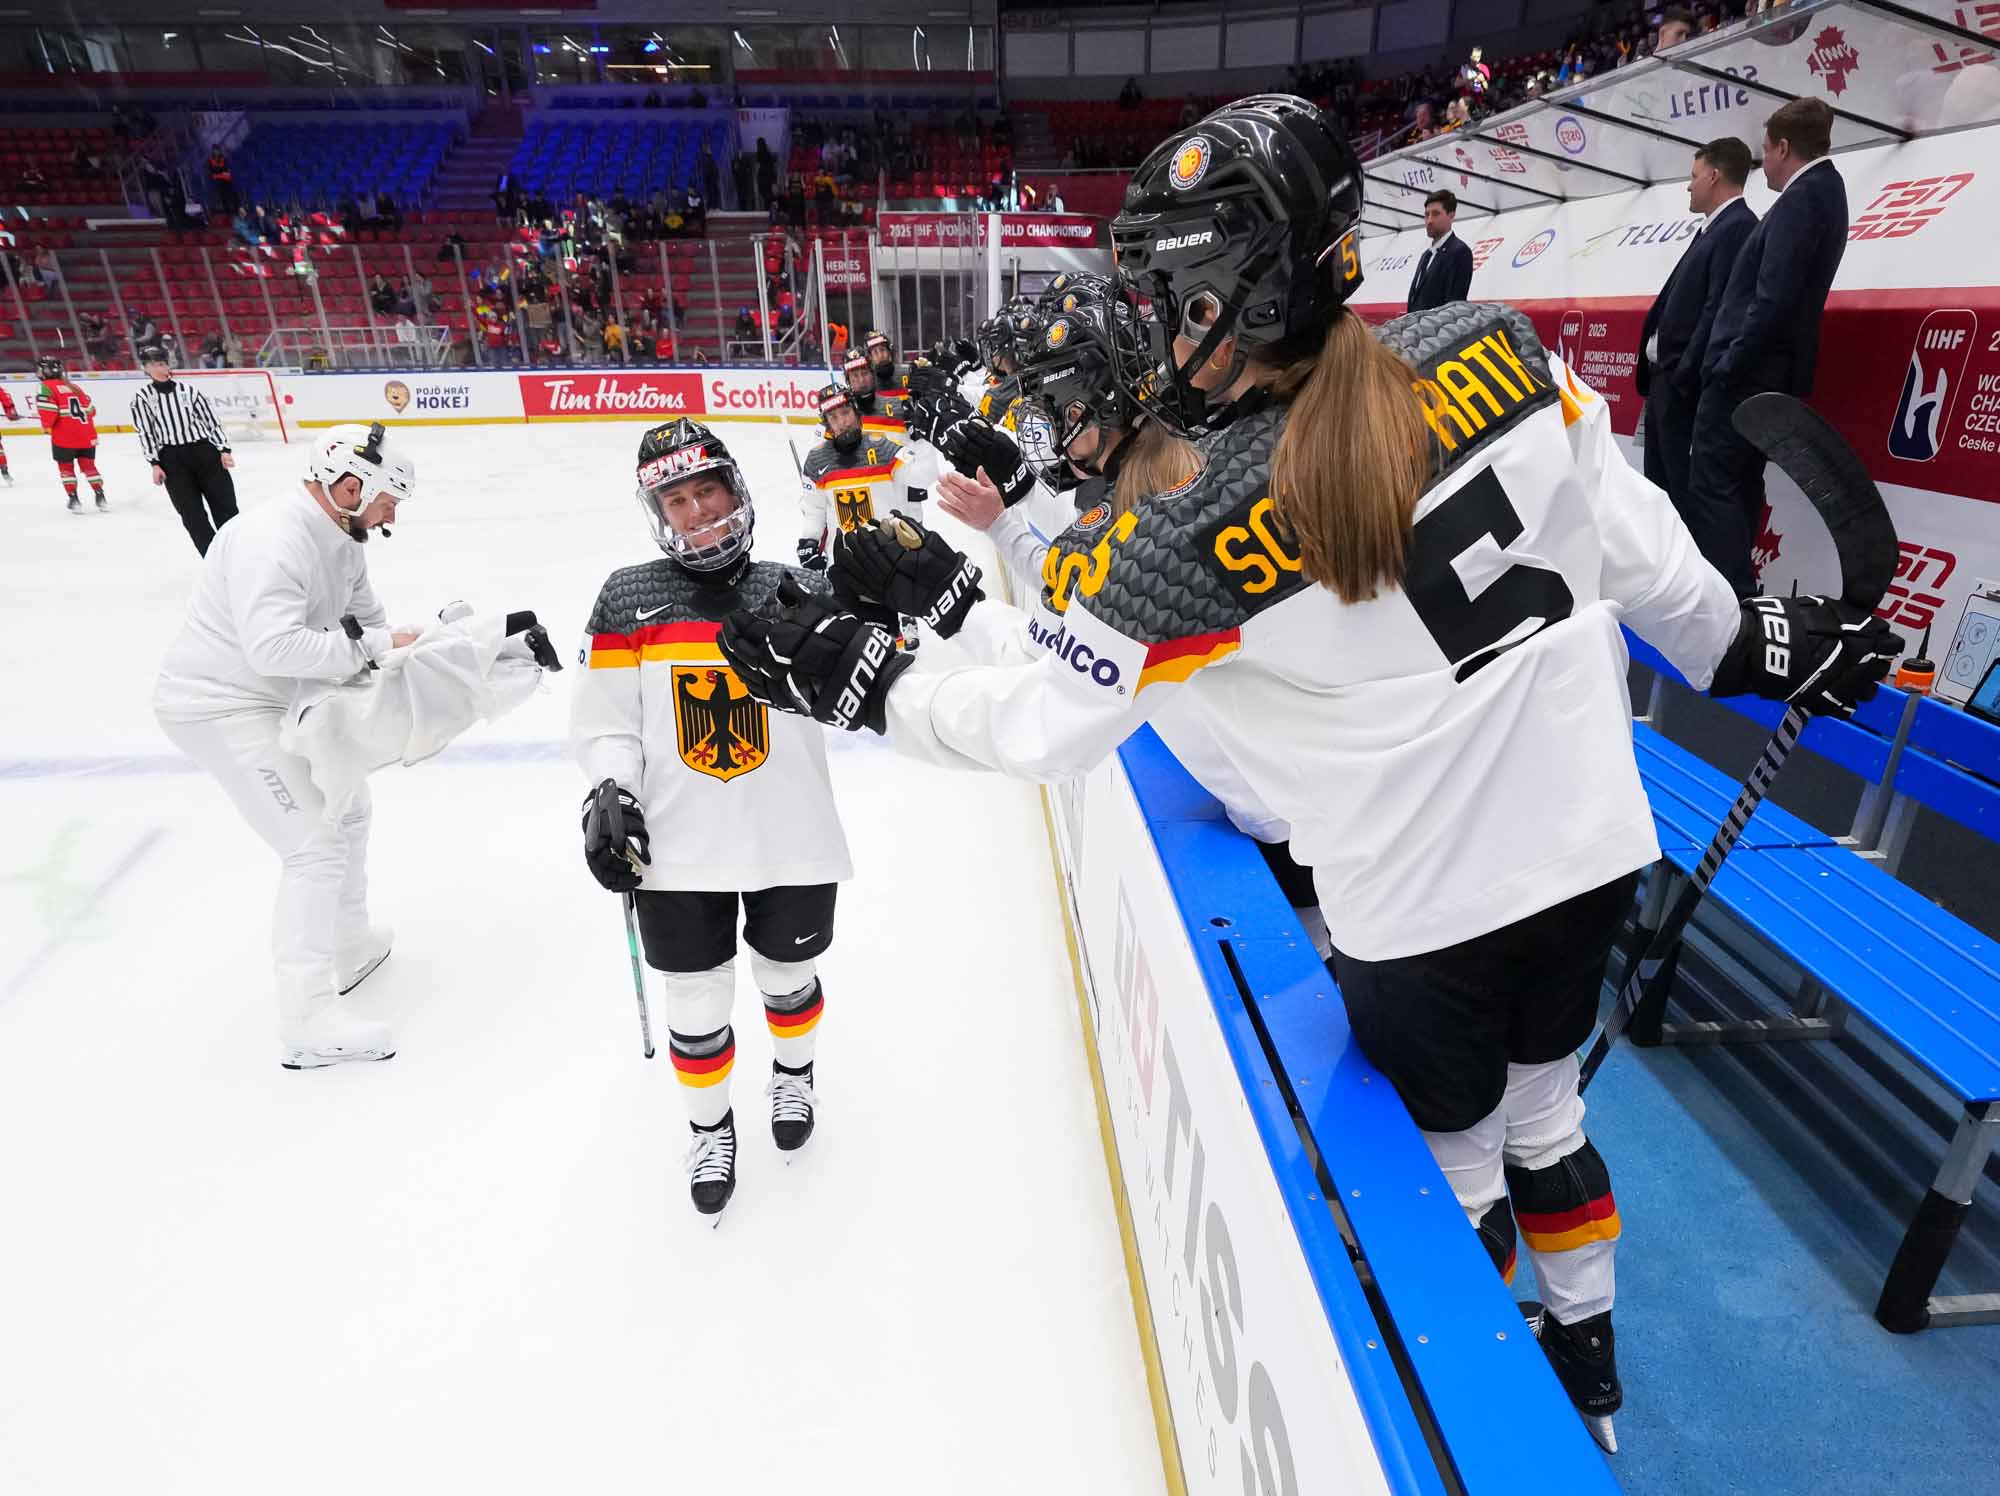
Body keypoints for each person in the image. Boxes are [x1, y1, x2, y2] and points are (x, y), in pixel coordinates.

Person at [715, 95, 1901, 1453]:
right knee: (1547, 1110)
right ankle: (1590, 1369)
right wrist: (1762, 646)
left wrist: (870, 684)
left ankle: (1489, 1429)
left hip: (1422, 909)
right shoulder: (1503, 351)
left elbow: (1040, 727)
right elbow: (1661, 577)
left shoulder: (1186, 537)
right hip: (1590, 853)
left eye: (1167, 296)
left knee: (1456, 1175)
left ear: (1231, 294)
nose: (1156, 326)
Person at [570, 419, 854, 1217]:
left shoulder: (797, 588)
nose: (698, 512)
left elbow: (860, 692)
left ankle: (794, 1077)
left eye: (709, 491)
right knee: (695, 1002)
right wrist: (612, 792)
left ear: (737, 491)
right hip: (677, 843)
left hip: (788, 830)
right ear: (658, 513)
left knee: (788, 977)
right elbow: (606, 721)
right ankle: (710, 1127)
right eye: (678, 500)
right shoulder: (627, 600)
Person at [152, 424, 418, 1070]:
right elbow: (273, 648)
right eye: (388, 500)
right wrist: (375, 647)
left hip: (274, 701)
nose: (391, 516)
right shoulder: (272, 538)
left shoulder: (344, 541)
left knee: (349, 804)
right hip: (216, 707)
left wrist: (420, 652)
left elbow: (371, 626)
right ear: (349, 486)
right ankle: (306, 1020)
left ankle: (348, 943)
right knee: (313, 846)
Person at [1689, 98, 1848, 594]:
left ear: (1782, 147)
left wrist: (1727, 365)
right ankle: (1735, 597)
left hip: (1747, 377)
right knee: (1738, 483)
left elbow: (1772, 299)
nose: (1765, 165)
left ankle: (1727, 599)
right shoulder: (1823, 191)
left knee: (1714, 482)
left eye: (1765, 152)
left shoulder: (1805, 197)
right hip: (1760, 375)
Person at [1635, 137, 1755, 519]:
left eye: (1694, 176)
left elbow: (1716, 310)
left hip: (1681, 385)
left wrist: (1683, 373)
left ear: (1714, 176)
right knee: (1658, 487)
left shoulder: (1737, 228)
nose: (1689, 186)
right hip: (1665, 380)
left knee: (1677, 489)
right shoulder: (1712, 229)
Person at [797, 381, 924, 572]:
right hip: (844, 564)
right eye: (833, 417)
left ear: (856, 411)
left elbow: (913, 490)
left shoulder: (886, 449)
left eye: (845, 413)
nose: (842, 422)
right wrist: (809, 541)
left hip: (890, 560)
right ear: (827, 424)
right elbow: (815, 510)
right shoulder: (816, 461)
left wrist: (916, 529)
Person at [131, 345, 239, 556]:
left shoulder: (188, 391)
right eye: (154, 365)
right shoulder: (142, 398)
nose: (160, 368)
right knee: (191, 514)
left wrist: (224, 449)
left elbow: (211, 422)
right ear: (146, 368)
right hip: (172, 460)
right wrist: (154, 463)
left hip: (204, 453)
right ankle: (213, 558)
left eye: (163, 363)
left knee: (225, 506)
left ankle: (237, 551)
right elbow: (146, 432)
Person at [34, 357, 106, 513]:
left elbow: (49, 413)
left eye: (39, 369)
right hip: (87, 435)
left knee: (66, 469)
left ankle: (74, 499)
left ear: (46, 371)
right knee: (89, 467)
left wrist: (46, 426)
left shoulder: (45, 387)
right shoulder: (73, 387)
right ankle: (100, 497)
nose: (38, 372)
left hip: (65, 437)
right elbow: (91, 411)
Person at [1406, 189, 1474, 312]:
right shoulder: (1426, 255)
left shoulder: (1459, 252)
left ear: (1451, 216)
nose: (1429, 221)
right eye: (1427, 215)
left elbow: (1454, 306)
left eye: (1436, 214)